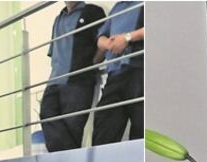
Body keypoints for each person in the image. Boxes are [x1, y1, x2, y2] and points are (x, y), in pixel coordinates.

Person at [39, 2, 107, 152]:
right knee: (46, 115)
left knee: (72, 129)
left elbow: (103, 43)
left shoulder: (92, 11)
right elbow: (54, 51)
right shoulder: (58, 18)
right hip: (54, 80)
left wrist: (90, 64)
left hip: (78, 81)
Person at [92, 1, 144, 145]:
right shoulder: (117, 7)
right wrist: (108, 43)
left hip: (139, 68)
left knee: (141, 127)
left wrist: (127, 38)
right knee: (104, 127)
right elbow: (101, 37)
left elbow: (159, 24)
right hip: (115, 73)